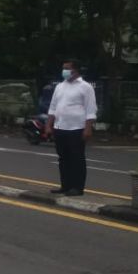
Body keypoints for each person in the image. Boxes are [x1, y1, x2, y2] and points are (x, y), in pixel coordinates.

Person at [44, 59, 97, 196]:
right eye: (63, 69)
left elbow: (90, 109)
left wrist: (88, 128)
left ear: (75, 70)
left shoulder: (85, 87)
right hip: (60, 126)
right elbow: (53, 107)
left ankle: (77, 187)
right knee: (63, 158)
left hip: (77, 128)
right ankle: (65, 186)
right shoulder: (60, 86)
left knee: (77, 158)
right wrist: (49, 125)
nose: (64, 72)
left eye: (67, 69)